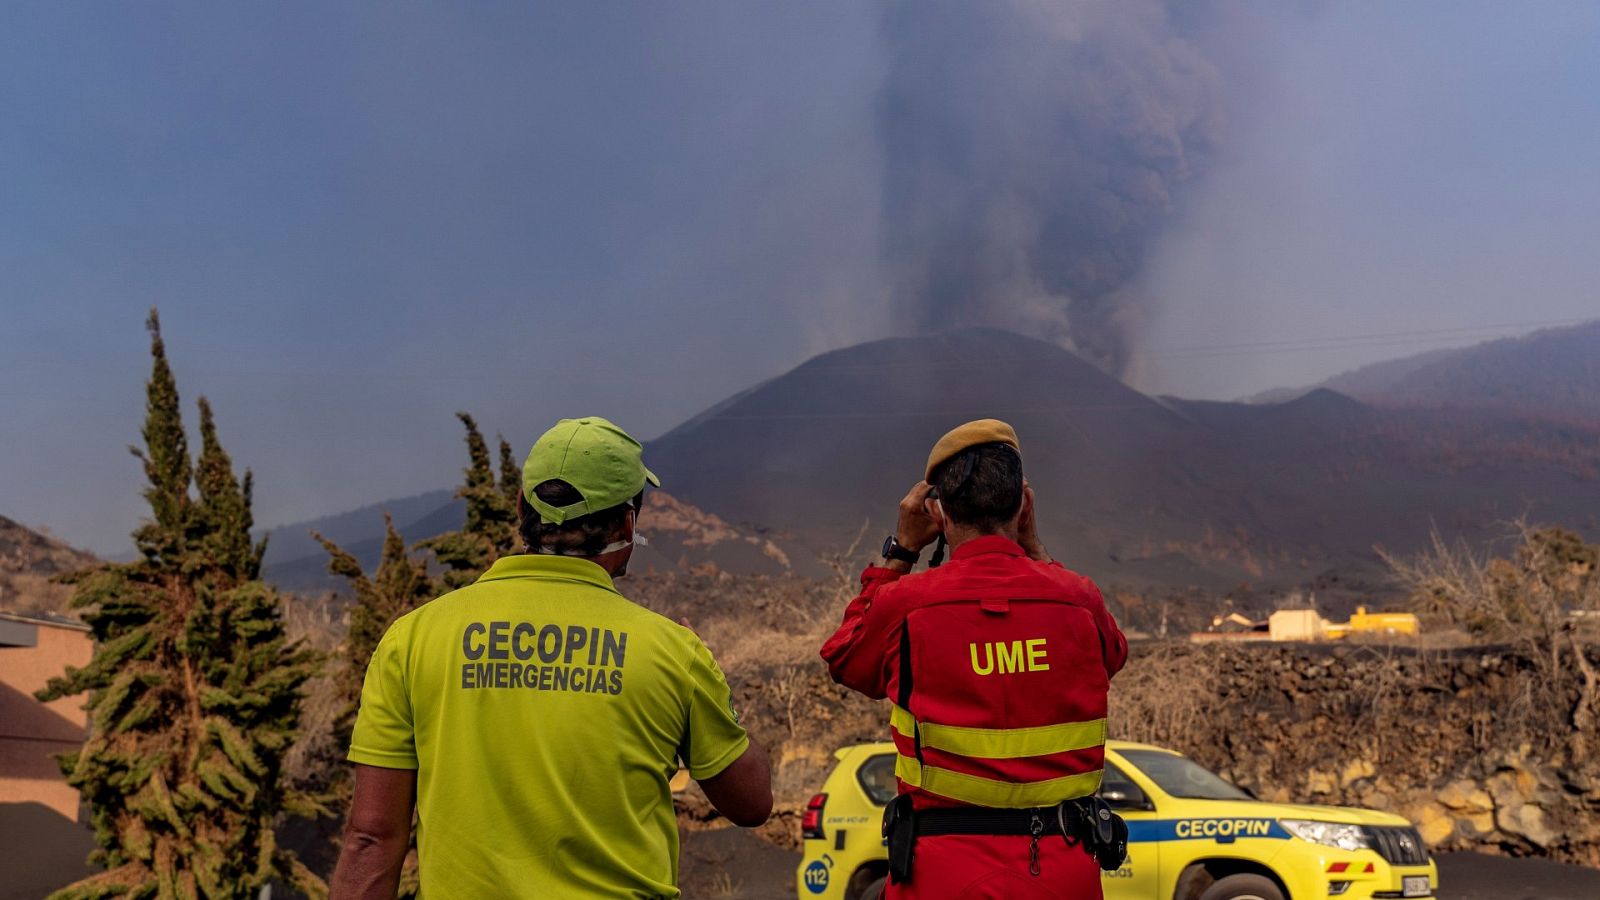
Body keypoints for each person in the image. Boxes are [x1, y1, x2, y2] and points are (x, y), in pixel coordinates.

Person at [330, 416, 771, 899]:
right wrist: (712, 683)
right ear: (627, 523)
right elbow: (751, 804)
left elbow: (372, 839)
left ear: (521, 507)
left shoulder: (412, 640)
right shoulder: (671, 652)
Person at [820, 419, 1128, 899]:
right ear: (1023, 505)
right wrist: (1037, 551)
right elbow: (1113, 655)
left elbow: (847, 660)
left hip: (942, 874)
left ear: (937, 512)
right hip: (1065, 870)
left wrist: (900, 551)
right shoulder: (1079, 601)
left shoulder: (907, 604)